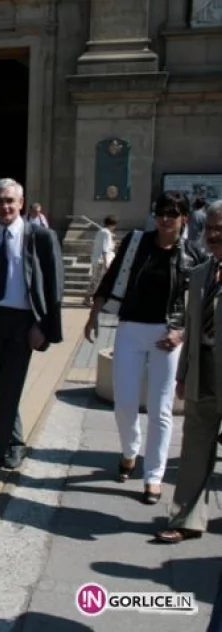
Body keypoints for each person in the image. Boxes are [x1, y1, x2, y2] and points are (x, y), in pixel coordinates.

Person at [85, 191, 205, 504]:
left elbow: (201, 304)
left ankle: (154, 476)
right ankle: (129, 451)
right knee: (124, 404)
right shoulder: (136, 244)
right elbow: (111, 279)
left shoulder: (193, 253)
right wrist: (93, 314)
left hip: (168, 336)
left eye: (173, 213)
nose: (165, 219)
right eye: (161, 212)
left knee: (160, 410)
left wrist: (181, 333)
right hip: (131, 329)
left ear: (184, 219)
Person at [0, 178, 64, 484]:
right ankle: (16, 442)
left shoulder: (42, 237)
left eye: (10, 201)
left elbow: (53, 286)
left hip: (23, 323)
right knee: (2, 388)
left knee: (8, 390)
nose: (5, 207)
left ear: (22, 203)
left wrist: (42, 326)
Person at [160, 201, 222, 543]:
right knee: (195, 450)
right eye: (209, 228)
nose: (213, 235)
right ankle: (186, 518)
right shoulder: (200, 274)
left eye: (220, 228)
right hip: (203, 373)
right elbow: (192, 329)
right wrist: (183, 374)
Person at [85, 215, 117, 306]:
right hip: (101, 260)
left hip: (98, 259)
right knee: (97, 279)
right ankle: (88, 298)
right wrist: (106, 263)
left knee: (96, 279)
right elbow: (105, 249)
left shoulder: (101, 232)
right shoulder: (106, 233)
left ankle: (89, 297)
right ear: (113, 224)